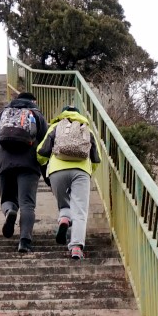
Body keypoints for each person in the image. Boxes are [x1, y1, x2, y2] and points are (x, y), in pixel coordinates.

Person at [0, 90, 46, 253]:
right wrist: (47, 174)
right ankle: (24, 242)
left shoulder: (3, 114)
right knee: (27, 203)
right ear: (34, 101)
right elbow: (47, 146)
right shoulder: (37, 114)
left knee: (7, 198)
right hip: (29, 164)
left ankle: (10, 211)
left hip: (4, 162)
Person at [37, 106, 101, 259]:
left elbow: (41, 152)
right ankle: (76, 247)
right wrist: (88, 170)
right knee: (80, 210)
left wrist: (47, 165)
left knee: (64, 204)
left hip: (57, 171)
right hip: (81, 171)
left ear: (63, 114)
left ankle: (64, 218)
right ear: (79, 115)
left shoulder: (55, 126)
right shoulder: (86, 129)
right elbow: (96, 159)